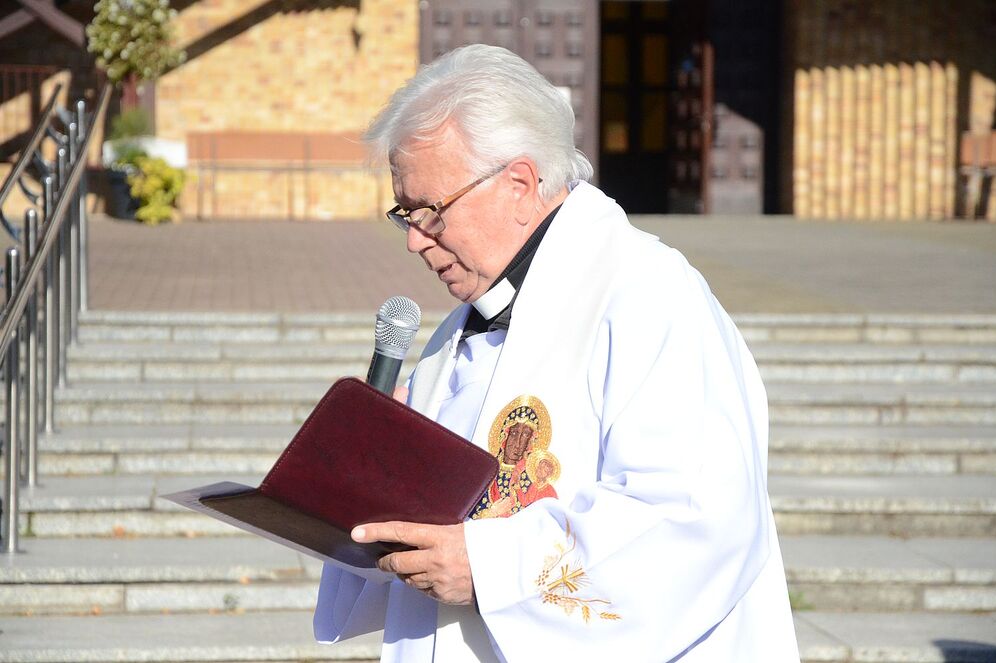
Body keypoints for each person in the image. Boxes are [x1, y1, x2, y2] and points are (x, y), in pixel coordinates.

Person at [314, 44, 800, 662]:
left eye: (429, 212)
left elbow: (694, 517)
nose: (414, 241)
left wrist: (491, 569)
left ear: (519, 184)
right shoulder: (458, 329)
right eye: (403, 214)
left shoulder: (648, 294)